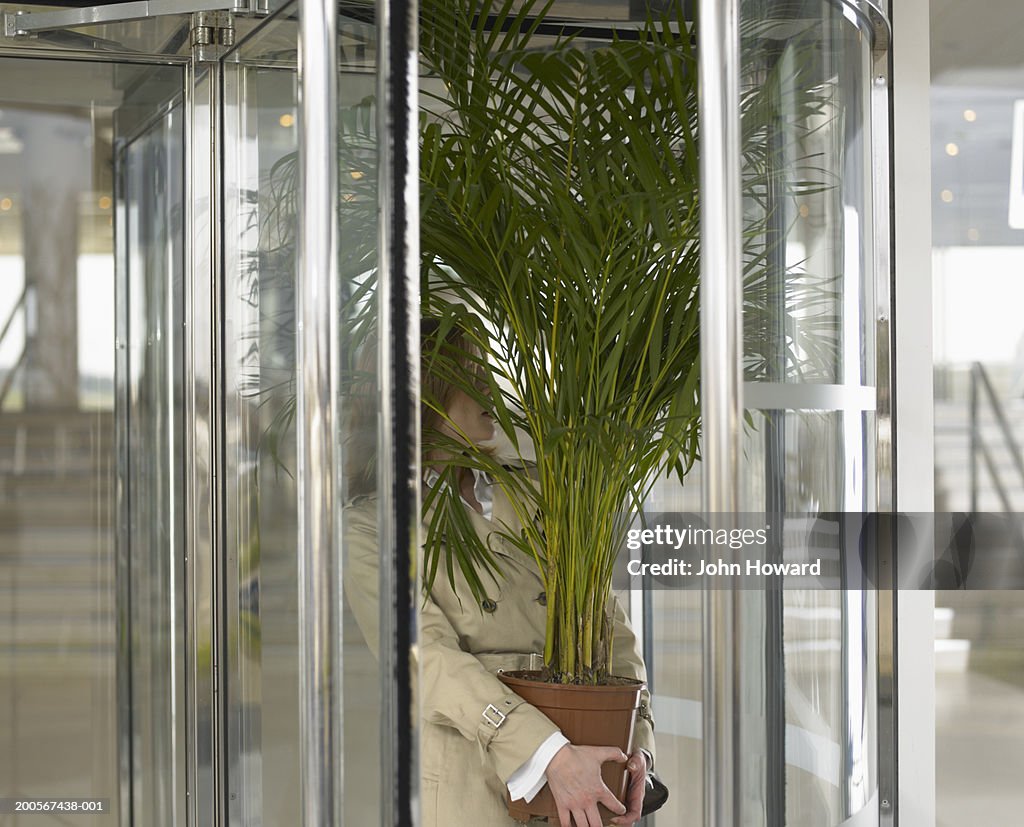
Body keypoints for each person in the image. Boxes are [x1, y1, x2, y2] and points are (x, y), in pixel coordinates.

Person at [343, 321, 655, 827]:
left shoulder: (544, 493)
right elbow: (426, 659)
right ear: (426, 395)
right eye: (473, 373)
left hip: (591, 771)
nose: (490, 385)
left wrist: (636, 747)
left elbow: (609, 626)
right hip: (471, 782)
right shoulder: (371, 527)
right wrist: (548, 752)